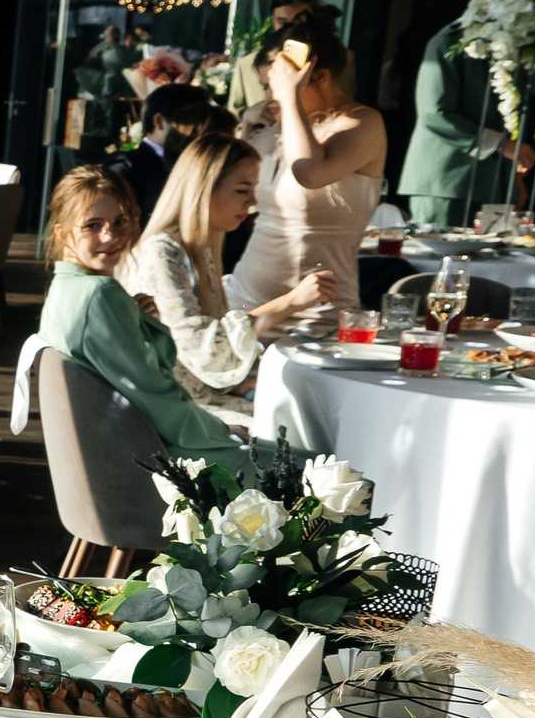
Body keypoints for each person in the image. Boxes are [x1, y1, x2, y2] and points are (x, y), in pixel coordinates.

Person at [38, 163, 244, 472]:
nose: (111, 234)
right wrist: (224, 433)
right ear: (62, 232)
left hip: (119, 447)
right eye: (92, 225)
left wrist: (136, 321)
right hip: (161, 460)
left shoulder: (64, 290)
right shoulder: (100, 295)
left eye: (120, 220)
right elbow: (157, 399)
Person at [119, 134, 337, 425]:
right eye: (242, 189)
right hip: (177, 413)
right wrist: (290, 302)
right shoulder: (162, 252)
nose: (253, 201)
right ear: (204, 189)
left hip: (199, 398)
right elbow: (205, 348)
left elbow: (209, 340)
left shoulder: (197, 250)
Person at [230, 18, 385, 308]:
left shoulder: (363, 123)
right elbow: (230, 188)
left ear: (321, 77)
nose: (268, 97)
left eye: (276, 86)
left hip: (318, 308)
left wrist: (290, 99)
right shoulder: (277, 122)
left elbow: (310, 172)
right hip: (246, 300)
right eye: (266, 87)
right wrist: (247, 132)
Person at [397, 0, 535, 226]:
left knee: (493, 269)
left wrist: (514, 177)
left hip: (497, 186)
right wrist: (503, 145)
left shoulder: (520, 45)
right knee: (439, 267)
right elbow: (435, 116)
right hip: (446, 185)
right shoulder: (448, 41)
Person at [225, 0, 356, 111]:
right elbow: (235, 120)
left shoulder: (336, 60)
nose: (289, 27)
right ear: (272, 20)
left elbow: (346, 105)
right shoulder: (246, 65)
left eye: (297, 20)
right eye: (282, 21)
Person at [104, 82, 214, 222]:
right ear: (159, 121)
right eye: (192, 121)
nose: (202, 130)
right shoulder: (126, 166)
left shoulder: (193, 163)